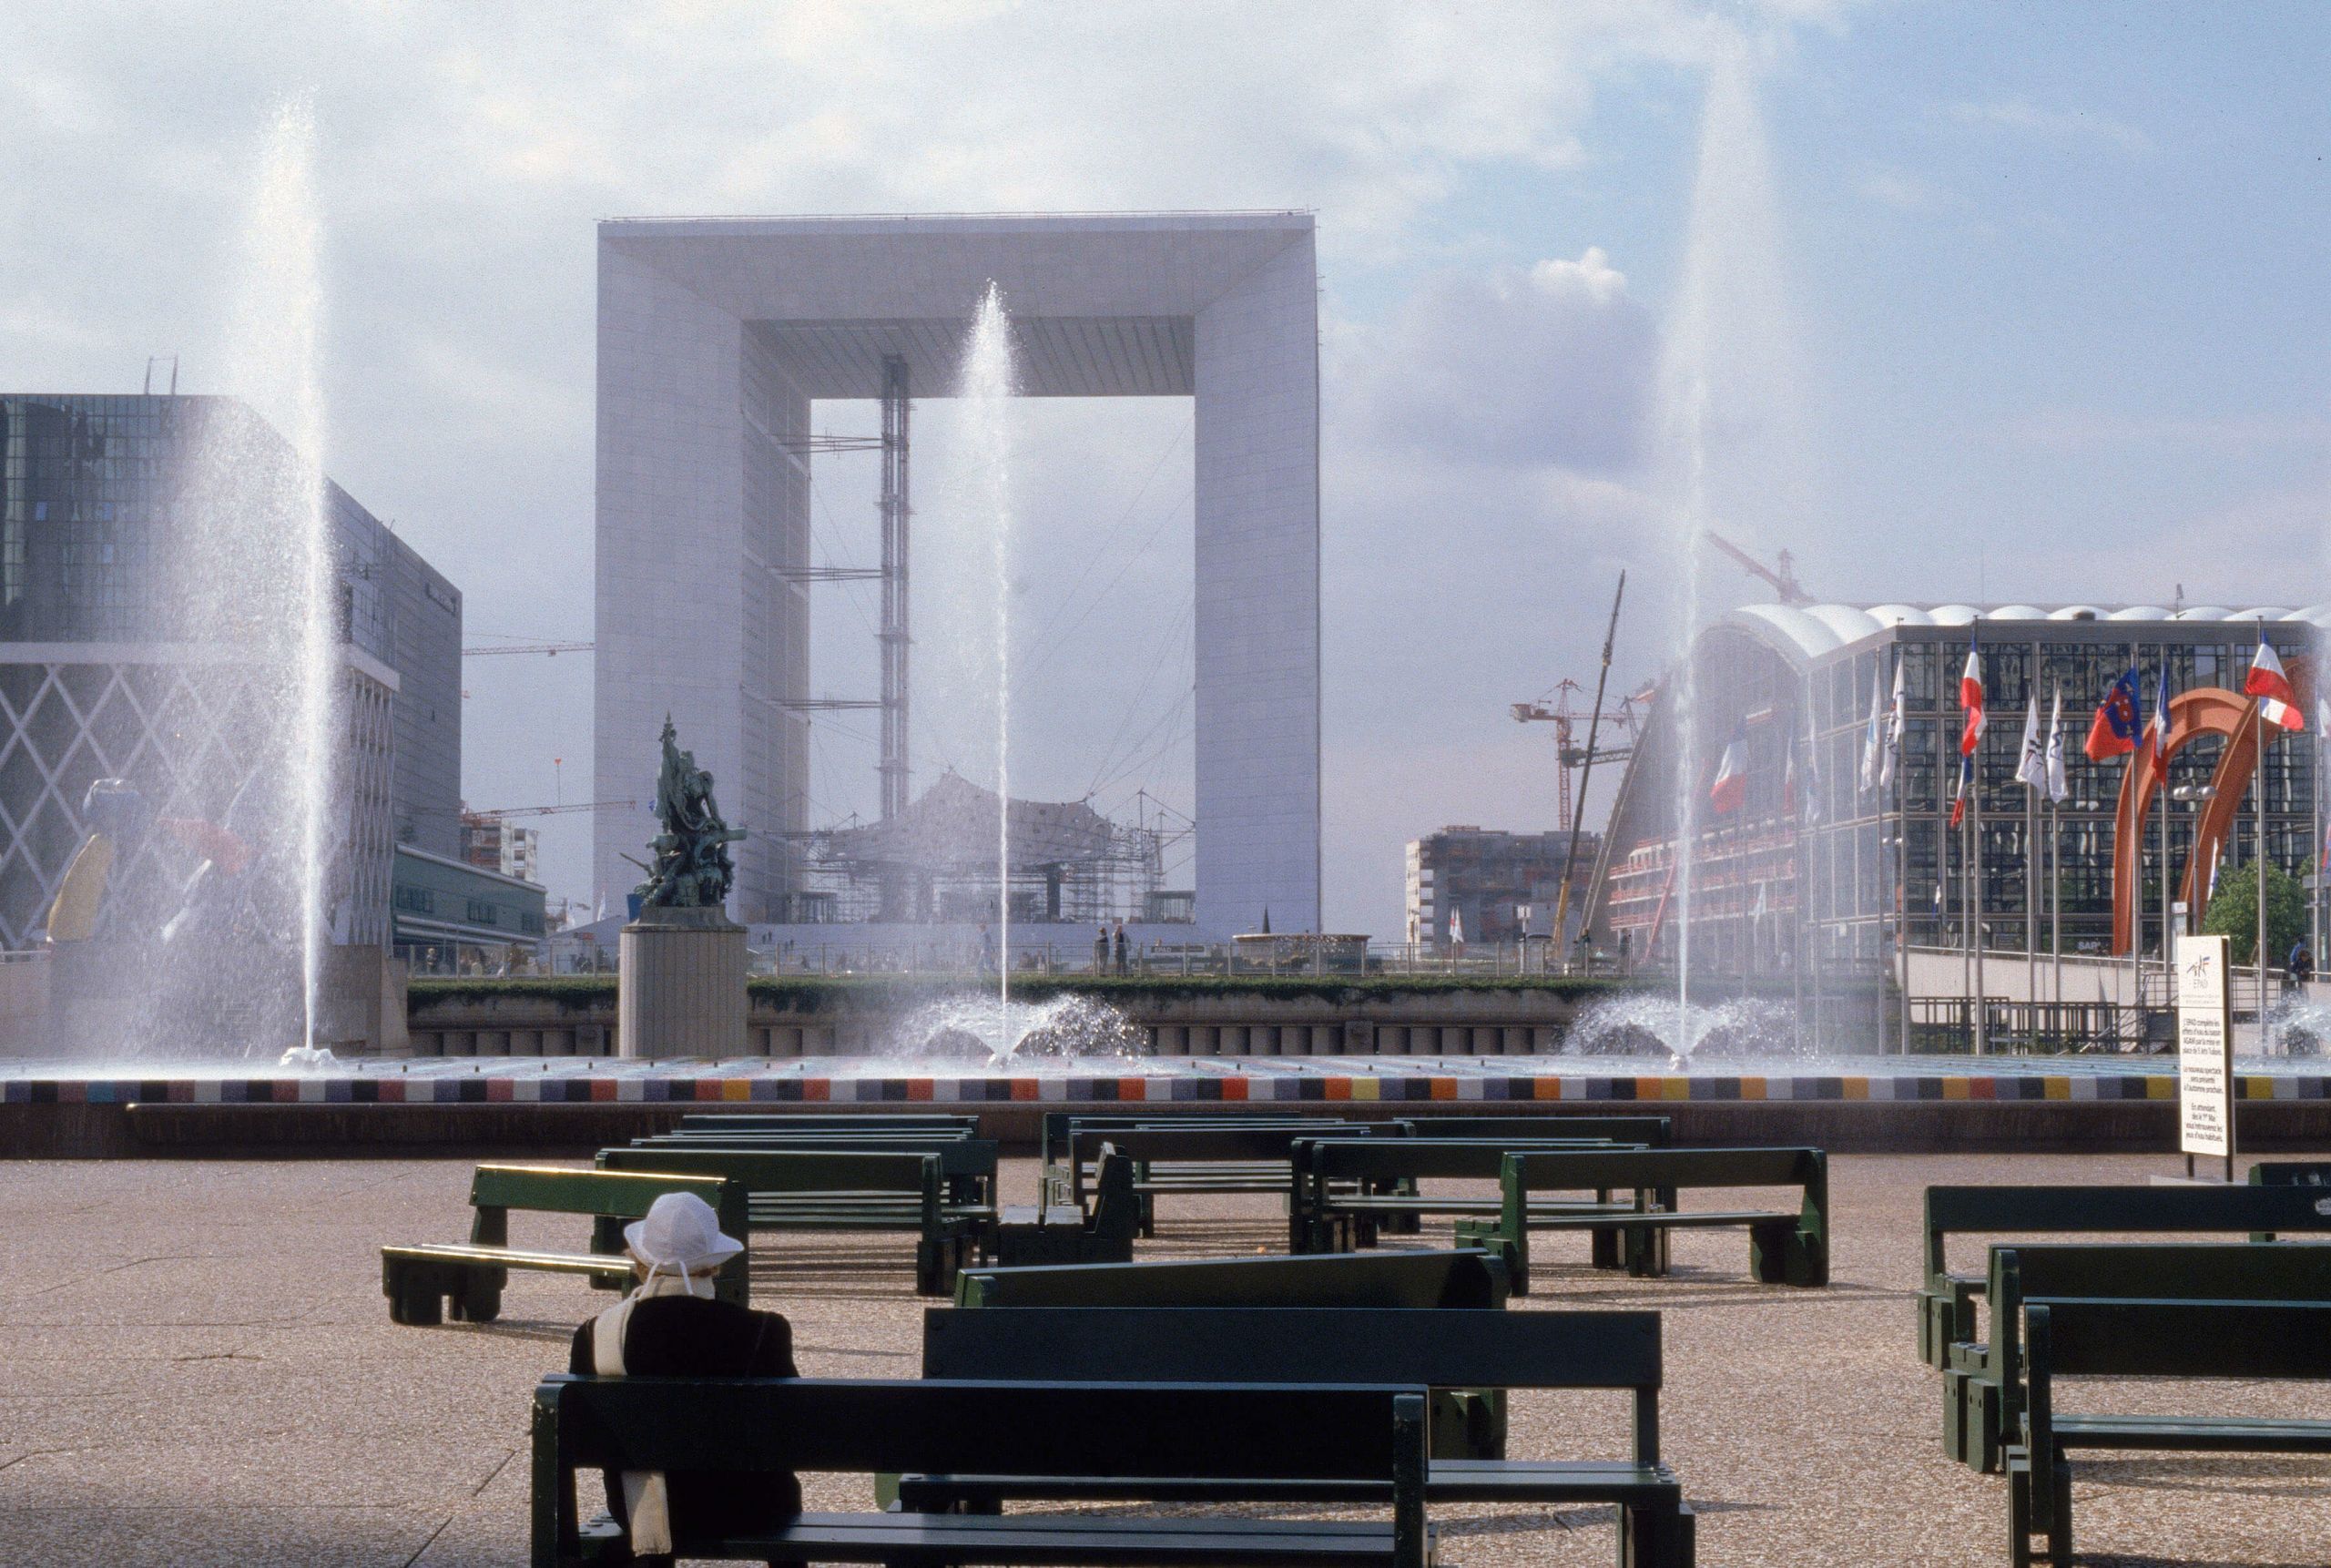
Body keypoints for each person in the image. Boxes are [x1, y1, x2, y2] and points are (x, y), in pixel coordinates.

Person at [569, 1193, 799, 1567]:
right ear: (714, 1264)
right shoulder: (764, 1331)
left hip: (641, 1513)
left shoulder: (597, 1335)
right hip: (752, 1509)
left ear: (641, 1260)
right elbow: (792, 1431)